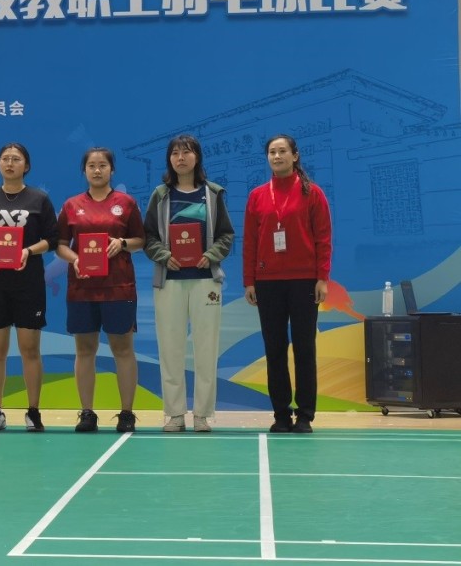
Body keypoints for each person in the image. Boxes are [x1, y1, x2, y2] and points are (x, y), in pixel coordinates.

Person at [143, 135, 234, 434]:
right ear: (169, 159)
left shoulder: (213, 194)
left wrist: (211, 255)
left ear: (197, 157)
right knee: (170, 348)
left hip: (206, 282)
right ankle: (175, 413)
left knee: (206, 348)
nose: (180, 158)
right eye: (175, 153)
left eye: (186, 152)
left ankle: (203, 414)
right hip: (169, 281)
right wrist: (163, 255)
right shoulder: (160, 195)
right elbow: (148, 237)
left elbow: (226, 235)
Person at [243, 134, 332, 434]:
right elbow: (250, 242)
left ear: (295, 156)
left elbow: (323, 238)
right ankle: (281, 414)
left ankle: (305, 415)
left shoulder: (313, 193)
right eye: (272, 152)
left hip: (304, 281)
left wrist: (322, 278)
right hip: (267, 282)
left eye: (282, 151)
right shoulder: (257, 195)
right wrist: (249, 281)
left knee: (304, 348)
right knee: (275, 349)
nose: (277, 156)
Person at [0, 142, 58, 432]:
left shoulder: (39, 199)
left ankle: (33, 411)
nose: (9, 163)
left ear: (26, 166)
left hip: (29, 285)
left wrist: (28, 251)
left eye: (16, 159)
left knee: (30, 349)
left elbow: (52, 239)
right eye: (5, 158)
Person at [55, 147, 145, 433]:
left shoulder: (126, 203)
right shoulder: (71, 205)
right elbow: (60, 245)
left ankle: (127, 413)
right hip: (82, 288)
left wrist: (123, 243)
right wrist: (75, 259)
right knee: (85, 350)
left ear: (112, 170)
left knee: (123, 349)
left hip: (119, 287)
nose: (97, 170)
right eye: (91, 165)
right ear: (84, 171)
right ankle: (87, 413)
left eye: (103, 165)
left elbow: (141, 239)